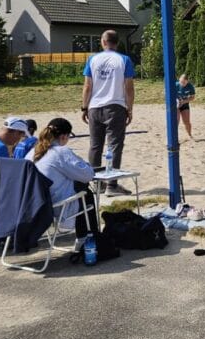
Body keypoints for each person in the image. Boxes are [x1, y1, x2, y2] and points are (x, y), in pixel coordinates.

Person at [82, 30, 134, 196]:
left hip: (95, 107)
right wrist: (129, 107)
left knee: (95, 145)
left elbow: (87, 86)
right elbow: (128, 87)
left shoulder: (93, 59)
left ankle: (96, 184)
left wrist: (84, 107)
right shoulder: (124, 60)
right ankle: (111, 185)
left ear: (102, 42)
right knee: (115, 146)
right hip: (115, 106)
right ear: (117, 43)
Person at [33, 117, 97, 251]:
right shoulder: (61, 151)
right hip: (58, 207)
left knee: (80, 189)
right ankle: (89, 238)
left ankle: (86, 238)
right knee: (86, 193)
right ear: (63, 136)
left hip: (38, 203)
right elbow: (88, 175)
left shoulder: (35, 151)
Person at [176, 74, 196, 139]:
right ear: (179, 80)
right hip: (176, 105)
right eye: (181, 82)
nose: (182, 84)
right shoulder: (175, 85)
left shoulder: (190, 86)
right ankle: (175, 137)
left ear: (187, 81)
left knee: (187, 122)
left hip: (184, 104)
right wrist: (176, 101)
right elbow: (166, 93)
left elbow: (192, 98)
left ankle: (190, 134)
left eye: (184, 82)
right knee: (176, 121)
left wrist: (184, 102)